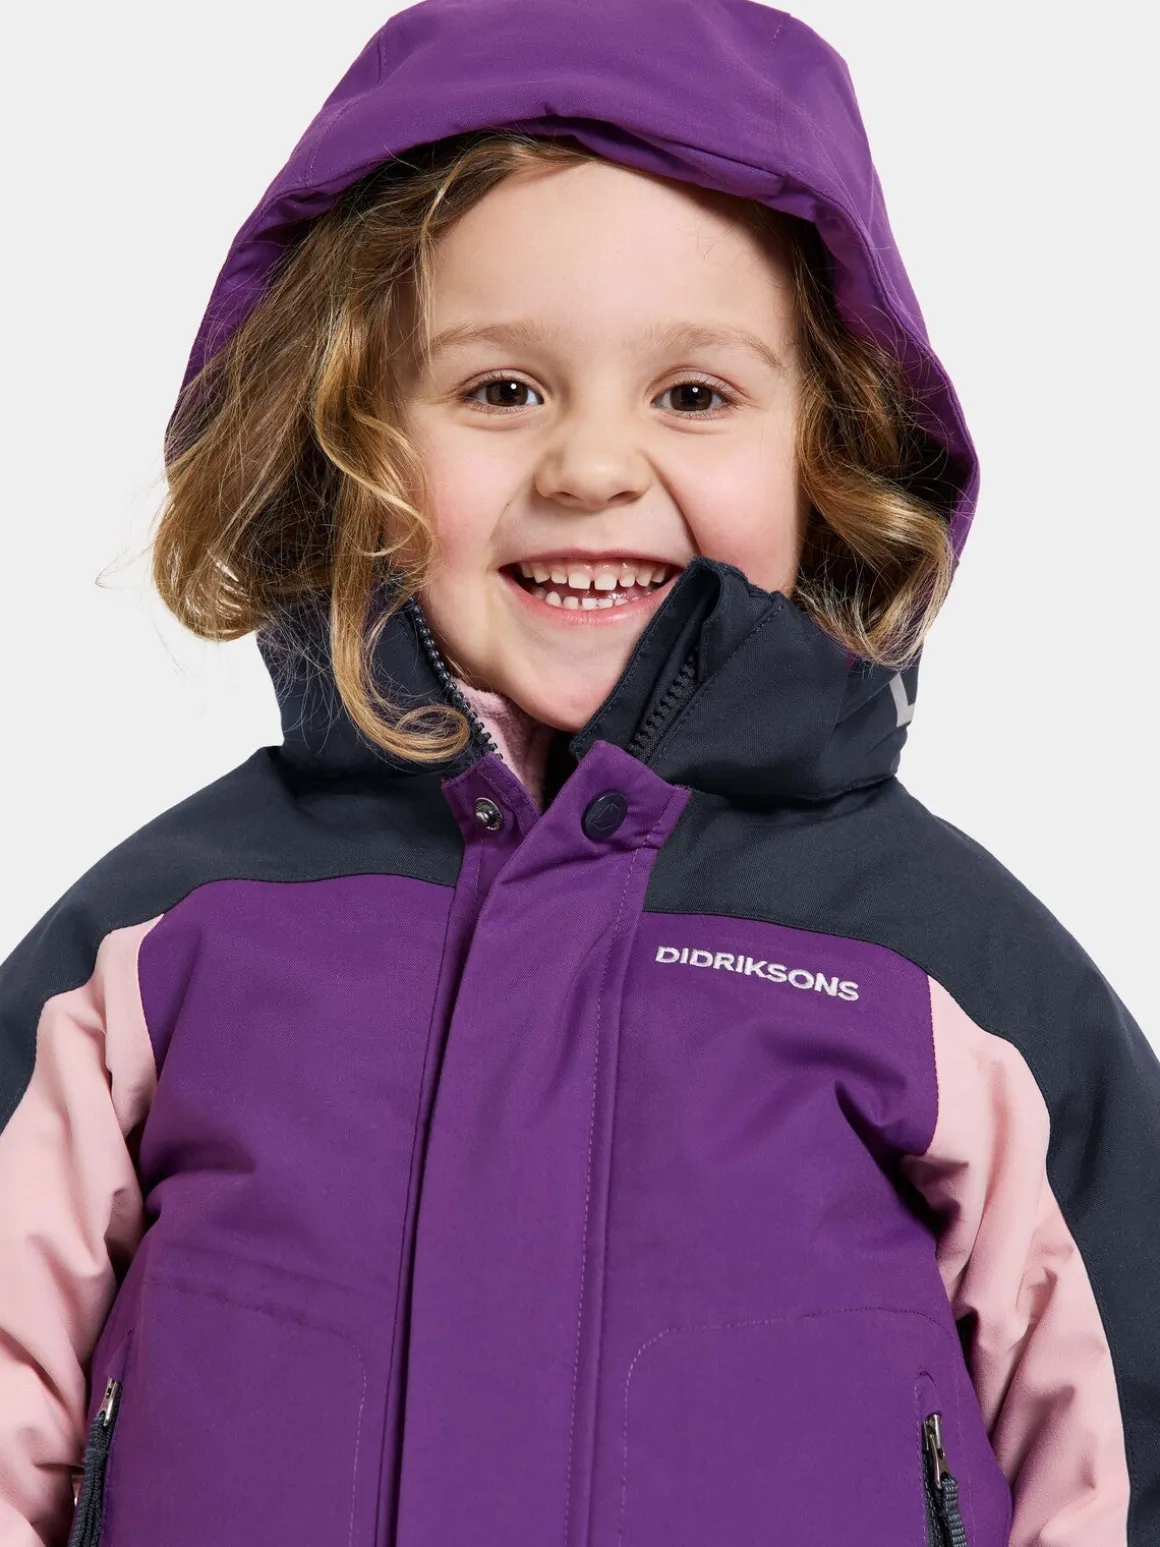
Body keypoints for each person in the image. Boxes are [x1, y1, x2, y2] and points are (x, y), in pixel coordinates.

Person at [0, 0, 1155, 1543]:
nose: (593, 467)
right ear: (347, 433)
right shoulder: (163, 944)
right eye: (501, 390)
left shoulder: (946, 966)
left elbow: (1124, 1434)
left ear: (827, 450)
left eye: (694, 394)